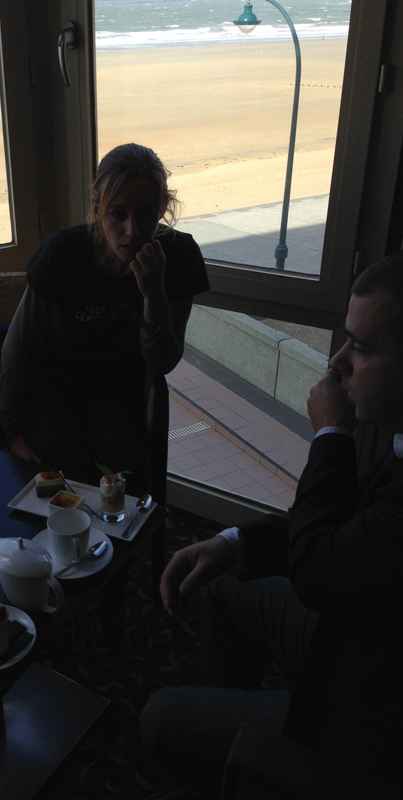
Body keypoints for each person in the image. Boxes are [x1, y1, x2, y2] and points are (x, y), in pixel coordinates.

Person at [140, 251, 403, 796]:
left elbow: (319, 571)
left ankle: (262, 761)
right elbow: (355, 531)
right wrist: (233, 543)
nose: (337, 363)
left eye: (364, 347)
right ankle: (240, 770)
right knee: (225, 588)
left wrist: (331, 437)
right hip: (359, 639)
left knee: (158, 716)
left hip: (367, 715)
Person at [0, 143, 209, 494]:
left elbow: (162, 363)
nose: (131, 230)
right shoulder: (65, 252)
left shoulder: (178, 256)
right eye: (117, 214)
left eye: (145, 214)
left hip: (117, 390)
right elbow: (18, 346)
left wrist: (153, 293)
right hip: (51, 385)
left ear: (162, 210)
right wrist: (11, 429)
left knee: (127, 481)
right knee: (73, 477)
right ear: (97, 209)